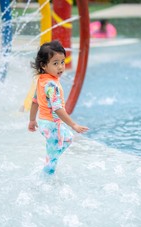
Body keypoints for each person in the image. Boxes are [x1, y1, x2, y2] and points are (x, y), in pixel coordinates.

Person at [28, 40, 89, 175]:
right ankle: (45, 176)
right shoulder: (51, 85)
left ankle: (50, 162)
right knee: (62, 144)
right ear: (44, 65)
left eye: (62, 62)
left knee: (65, 140)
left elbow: (35, 101)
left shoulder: (41, 80)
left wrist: (32, 120)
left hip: (44, 123)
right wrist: (74, 124)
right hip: (52, 124)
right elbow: (57, 109)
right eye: (55, 63)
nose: (60, 67)